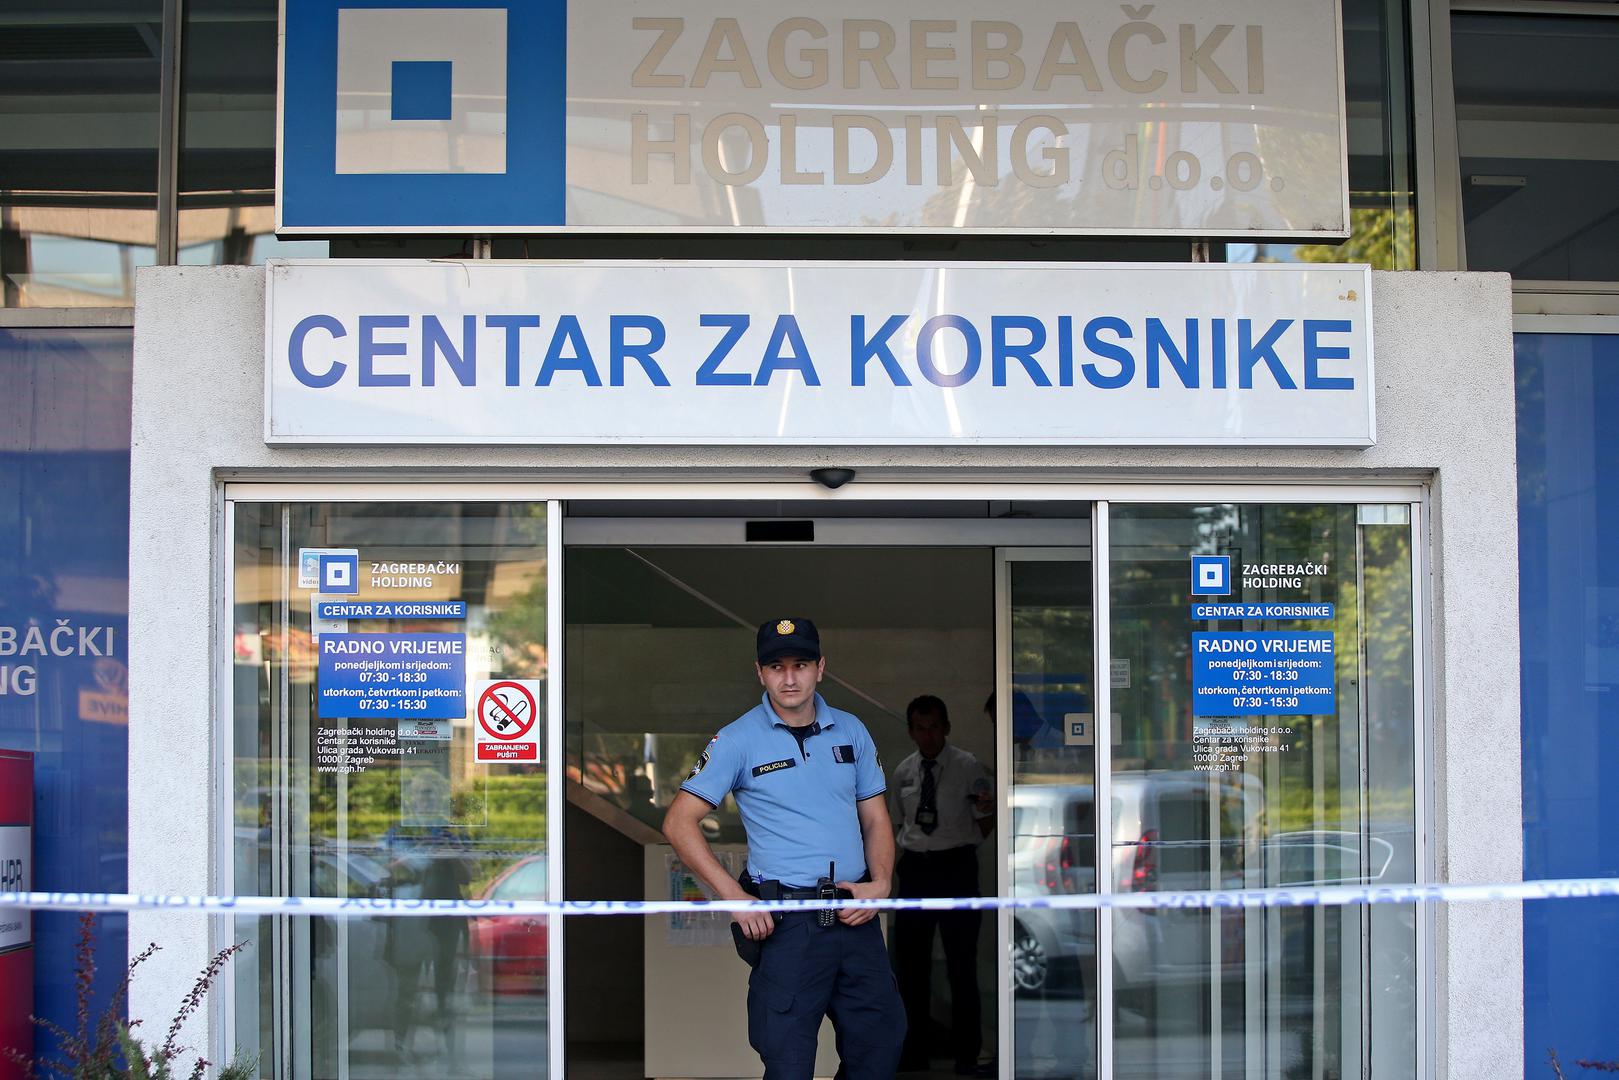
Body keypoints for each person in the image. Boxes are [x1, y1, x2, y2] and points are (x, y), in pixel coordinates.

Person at [662, 618, 906, 1080]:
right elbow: (678, 822)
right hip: (789, 926)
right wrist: (735, 898)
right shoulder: (737, 739)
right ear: (760, 673)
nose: (789, 678)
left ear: (821, 668)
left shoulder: (852, 730)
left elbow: (876, 818)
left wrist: (880, 883)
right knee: (788, 1064)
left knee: (879, 1050)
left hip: (855, 918)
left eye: (801, 664)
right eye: (777, 667)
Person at [890, 695, 993, 1075]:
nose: (928, 736)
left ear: (946, 727)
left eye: (934, 727)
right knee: (911, 967)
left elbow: (985, 817)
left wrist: (963, 848)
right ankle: (913, 1053)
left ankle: (967, 1055)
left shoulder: (968, 766)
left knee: (960, 963)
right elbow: (898, 823)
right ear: (910, 731)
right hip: (917, 869)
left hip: (956, 868)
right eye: (920, 728)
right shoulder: (904, 771)